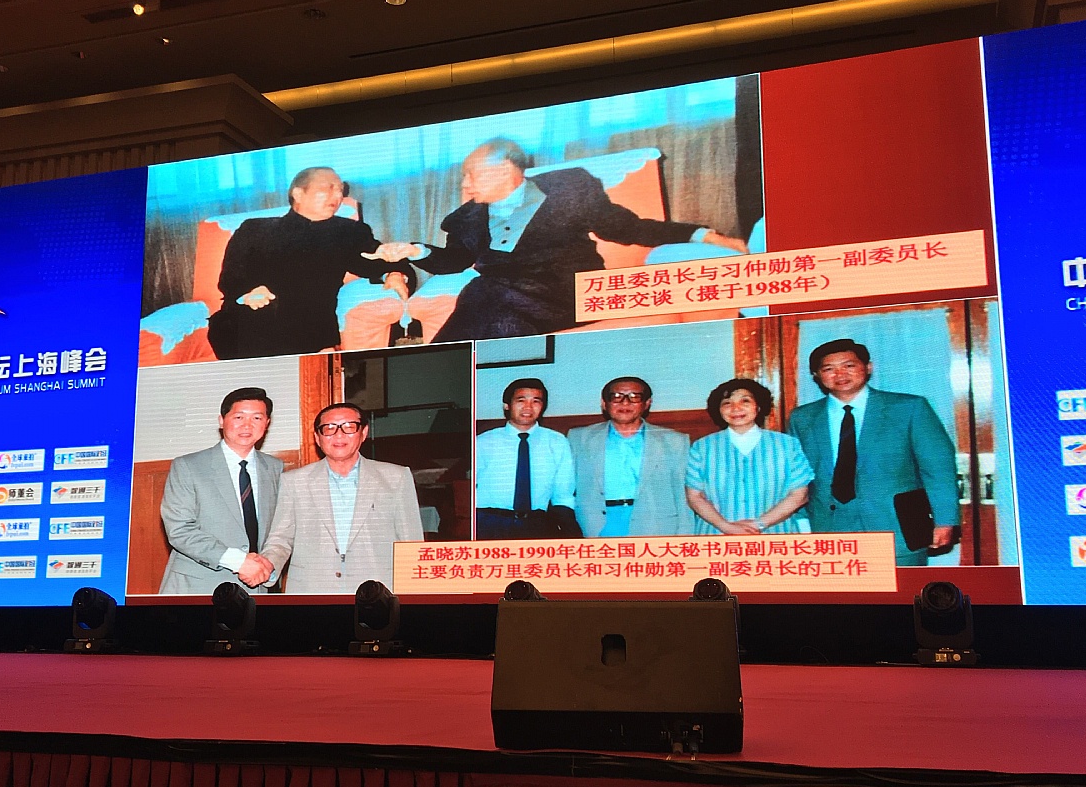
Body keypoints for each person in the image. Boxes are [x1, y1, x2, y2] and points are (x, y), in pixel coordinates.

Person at [362, 138, 746, 341]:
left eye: (472, 175)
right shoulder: (467, 216)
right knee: (489, 303)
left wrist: (705, 234)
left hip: (567, 293)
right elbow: (453, 261)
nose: (465, 185)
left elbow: (627, 228)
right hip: (503, 299)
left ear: (505, 170)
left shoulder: (568, 190)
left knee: (486, 293)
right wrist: (414, 250)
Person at [206, 167, 416, 359]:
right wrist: (248, 292)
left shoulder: (347, 231)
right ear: (298, 193)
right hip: (246, 325)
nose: (338, 196)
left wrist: (395, 273)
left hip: (307, 329)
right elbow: (230, 278)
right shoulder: (255, 229)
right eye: (329, 188)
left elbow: (378, 258)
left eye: (341, 190)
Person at [786, 338, 959, 566]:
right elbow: (796, 476)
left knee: (902, 588)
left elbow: (938, 468)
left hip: (899, 528)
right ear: (817, 376)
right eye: (829, 369)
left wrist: (945, 520)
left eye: (849, 366)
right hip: (828, 527)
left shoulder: (909, 408)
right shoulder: (803, 418)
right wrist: (800, 523)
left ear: (868, 367)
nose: (840, 374)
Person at [255, 402, 423, 594]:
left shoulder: (396, 477)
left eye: (349, 427)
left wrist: (413, 597)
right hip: (313, 591)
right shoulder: (294, 481)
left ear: (363, 433)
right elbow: (281, 538)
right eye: (329, 428)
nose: (339, 435)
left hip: (378, 593)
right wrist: (267, 566)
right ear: (317, 438)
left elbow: (411, 543)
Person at [158, 387, 283, 594]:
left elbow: (281, 530)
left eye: (257, 418)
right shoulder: (188, 466)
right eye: (239, 417)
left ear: (267, 423)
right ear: (221, 420)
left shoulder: (275, 468)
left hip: (259, 587)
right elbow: (179, 529)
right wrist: (239, 561)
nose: (247, 425)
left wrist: (267, 566)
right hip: (199, 587)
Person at [567, 376, 692, 537]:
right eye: (616, 396)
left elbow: (683, 494)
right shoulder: (579, 438)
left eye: (634, 397)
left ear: (647, 403)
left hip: (656, 525)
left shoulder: (674, 441)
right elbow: (567, 490)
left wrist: (684, 535)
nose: (625, 403)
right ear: (604, 403)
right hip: (595, 525)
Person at [686, 378, 813, 535]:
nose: (736, 408)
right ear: (718, 410)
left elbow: (800, 494)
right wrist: (726, 527)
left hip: (775, 533)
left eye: (745, 401)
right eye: (727, 403)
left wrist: (759, 524)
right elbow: (695, 496)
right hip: (717, 534)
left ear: (758, 406)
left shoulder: (787, 445)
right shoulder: (702, 447)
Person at [475, 377, 580, 540]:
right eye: (521, 400)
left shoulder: (557, 442)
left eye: (536, 401)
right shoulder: (483, 442)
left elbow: (563, 494)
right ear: (507, 405)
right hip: (489, 523)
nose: (528, 407)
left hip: (537, 524)